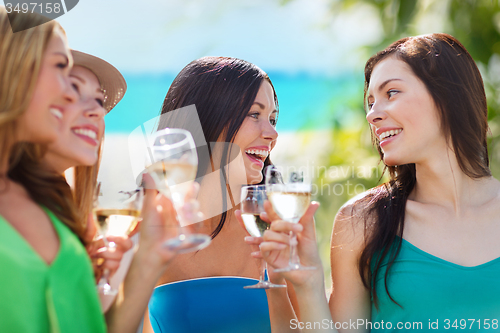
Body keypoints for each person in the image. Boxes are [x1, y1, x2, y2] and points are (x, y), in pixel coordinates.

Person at [260, 33, 500, 332]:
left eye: (392, 93)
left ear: (448, 96)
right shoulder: (362, 220)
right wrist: (309, 281)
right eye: (370, 102)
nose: (372, 115)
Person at [0, 8, 179, 332]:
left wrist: (148, 259)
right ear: (12, 69)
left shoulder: (50, 213)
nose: (91, 111)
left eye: (98, 102)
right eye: (60, 69)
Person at [143, 56, 296, 333]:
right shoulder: (152, 222)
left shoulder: (273, 222)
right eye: (255, 115)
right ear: (208, 117)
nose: (272, 133)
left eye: (272, 118)